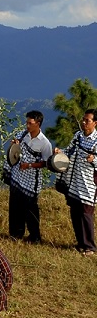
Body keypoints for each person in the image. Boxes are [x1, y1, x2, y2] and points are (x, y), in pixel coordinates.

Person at [54, 109, 97, 256]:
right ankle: (80, 243)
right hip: (74, 180)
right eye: (83, 119)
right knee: (75, 212)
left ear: (95, 123)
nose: (84, 122)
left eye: (87, 120)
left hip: (88, 183)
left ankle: (90, 247)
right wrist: (61, 152)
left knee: (86, 214)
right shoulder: (78, 136)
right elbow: (69, 150)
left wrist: (94, 160)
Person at [8, 110, 53, 243]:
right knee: (15, 207)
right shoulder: (22, 135)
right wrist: (14, 145)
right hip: (17, 177)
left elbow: (46, 163)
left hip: (31, 182)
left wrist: (30, 165)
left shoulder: (45, 143)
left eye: (30, 123)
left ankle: (35, 236)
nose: (27, 126)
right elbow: (13, 152)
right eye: (26, 122)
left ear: (38, 124)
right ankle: (16, 234)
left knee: (30, 210)